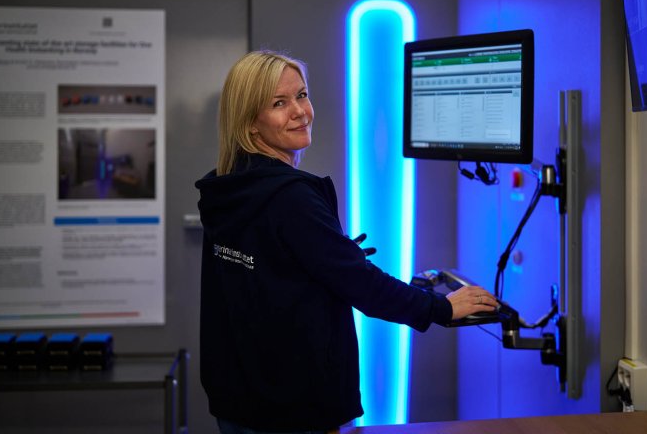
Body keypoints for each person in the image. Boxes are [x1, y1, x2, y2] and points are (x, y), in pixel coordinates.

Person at [195, 50, 499, 434]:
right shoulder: (291, 197)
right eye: (278, 103)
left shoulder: (228, 188)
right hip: (292, 408)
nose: (300, 111)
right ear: (251, 124)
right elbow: (364, 286)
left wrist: (328, 252)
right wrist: (439, 308)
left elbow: (269, 270)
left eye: (301, 95)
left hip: (240, 400)